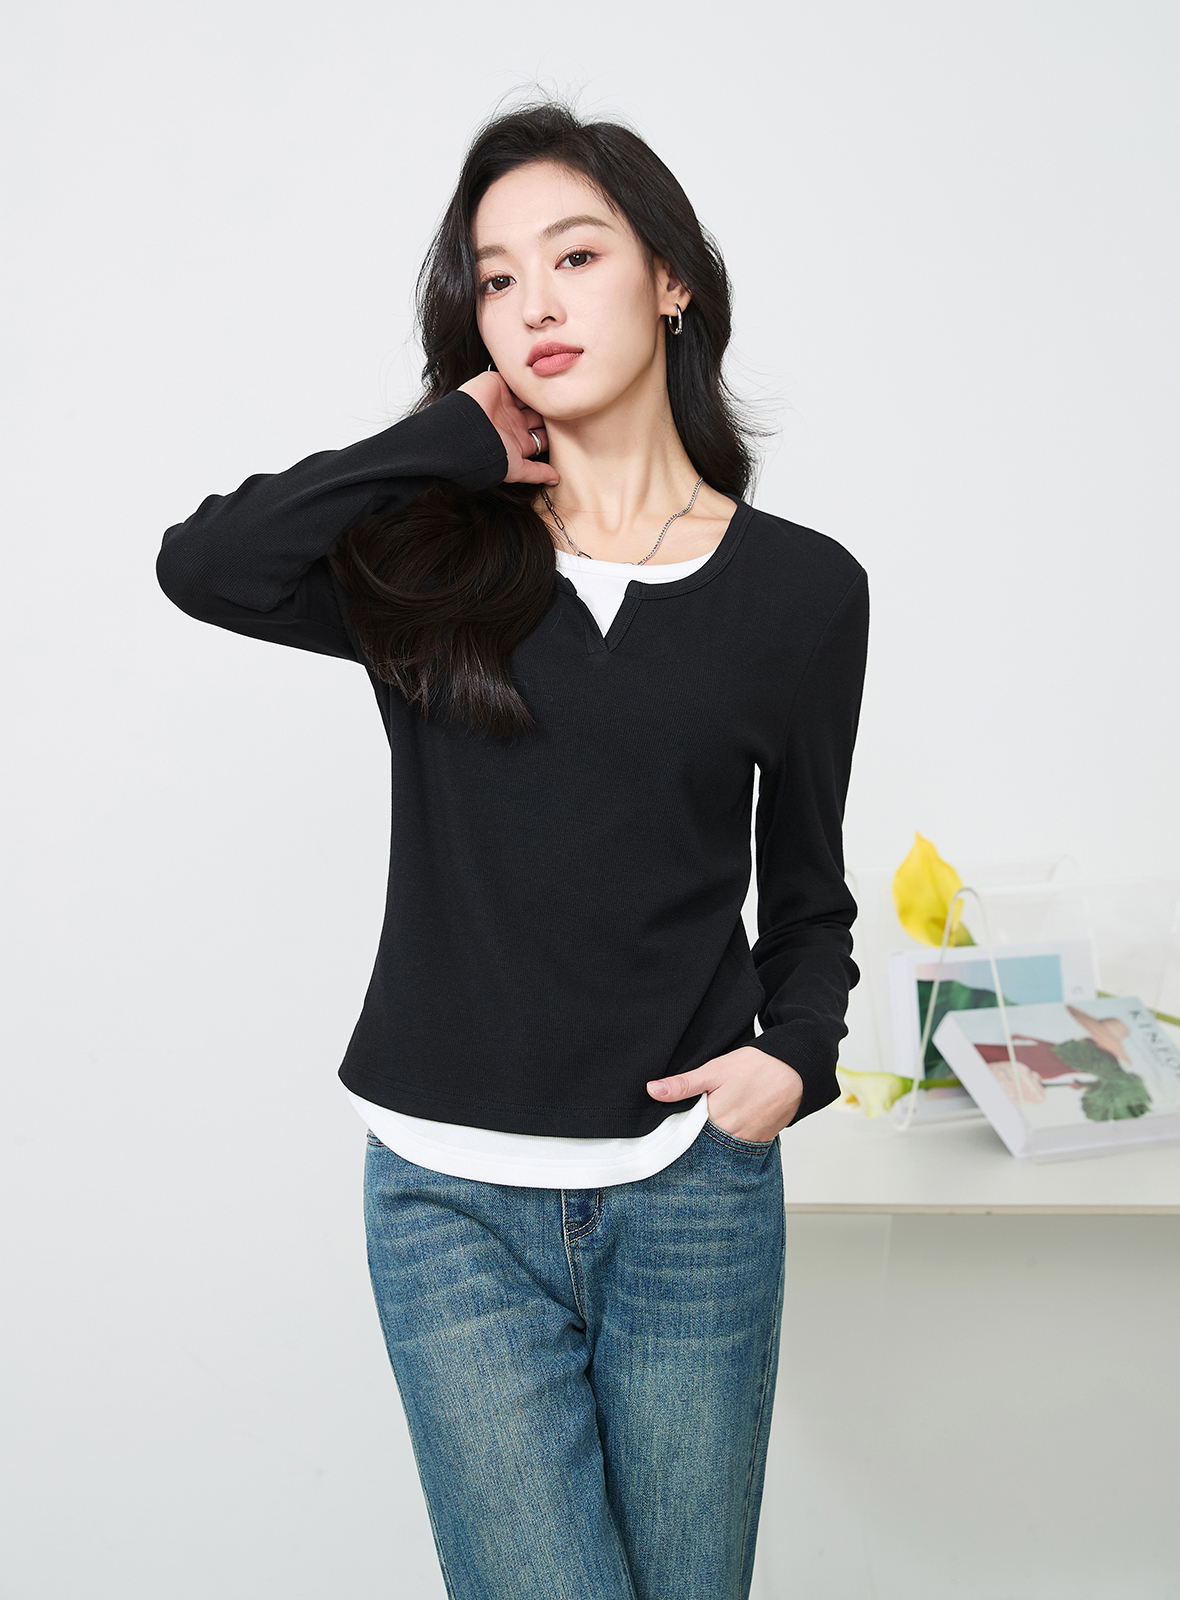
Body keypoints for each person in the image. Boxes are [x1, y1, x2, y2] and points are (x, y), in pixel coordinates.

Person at [157, 99, 869, 1600]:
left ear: (670, 279)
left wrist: (796, 1059)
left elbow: (811, 895)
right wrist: (441, 443)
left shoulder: (803, 593)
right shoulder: (428, 563)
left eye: (575, 255)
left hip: (691, 1194)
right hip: (448, 1202)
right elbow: (205, 563)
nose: (534, 301)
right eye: (495, 277)